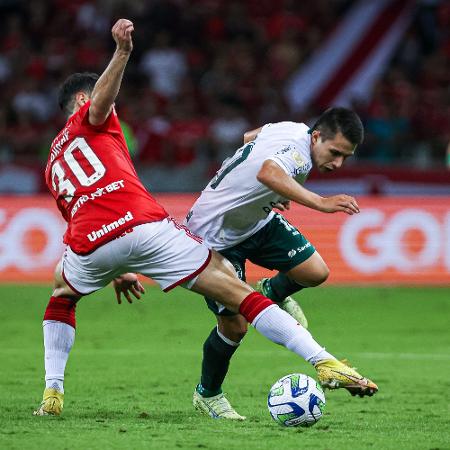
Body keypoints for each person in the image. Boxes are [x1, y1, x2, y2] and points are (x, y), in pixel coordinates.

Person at [34, 19, 377, 417]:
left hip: (93, 242)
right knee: (238, 302)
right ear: (82, 101)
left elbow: (79, 215)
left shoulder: (52, 162)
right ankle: (320, 361)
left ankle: (52, 393)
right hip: (149, 227)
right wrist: (123, 52)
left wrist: (117, 265)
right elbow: (99, 103)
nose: (112, 105)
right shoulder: (93, 115)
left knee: (62, 293)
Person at [185, 107, 371, 420]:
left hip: (257, 222)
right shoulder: (298, 153)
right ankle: (208, 394)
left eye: (346, 157)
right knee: (235, 326)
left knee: (315, 272)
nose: (338, 163)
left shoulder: (292, 128)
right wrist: (320, 202)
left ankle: (270, 292)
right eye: (335, 152)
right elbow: (267, 172)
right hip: (214, 236)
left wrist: (263, 190)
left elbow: (250, 139)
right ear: (316, 137)